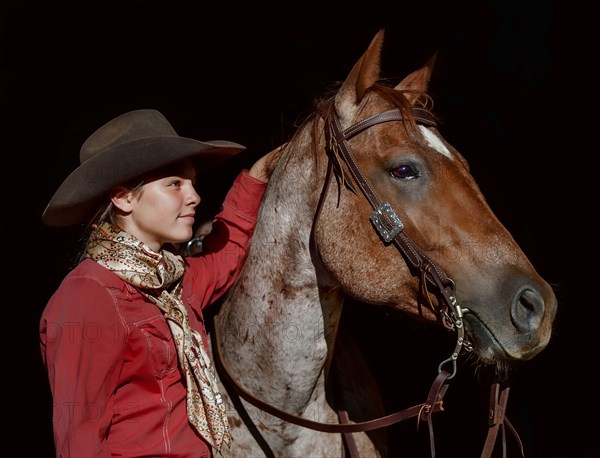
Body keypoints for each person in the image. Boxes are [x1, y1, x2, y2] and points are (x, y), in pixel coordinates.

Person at [39, 108, 279, 457]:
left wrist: (258, 176)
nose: (194, 196)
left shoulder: (175, 281)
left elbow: (228, 254)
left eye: (192, 183)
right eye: (174, 184)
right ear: (123, 198)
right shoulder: (87, 296)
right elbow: (79, 438)